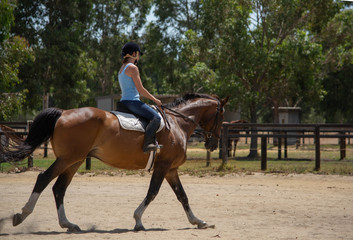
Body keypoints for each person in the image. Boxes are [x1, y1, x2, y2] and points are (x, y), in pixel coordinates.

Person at [118, 42, 163, 153]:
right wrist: (155, 100)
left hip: (123, 102)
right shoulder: (133, 68)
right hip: (132, 102)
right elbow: (141, 90)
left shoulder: (121, 68)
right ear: (134, 53)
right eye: (138, 54)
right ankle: (148, 144)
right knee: (156, 118)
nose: (139, 57)